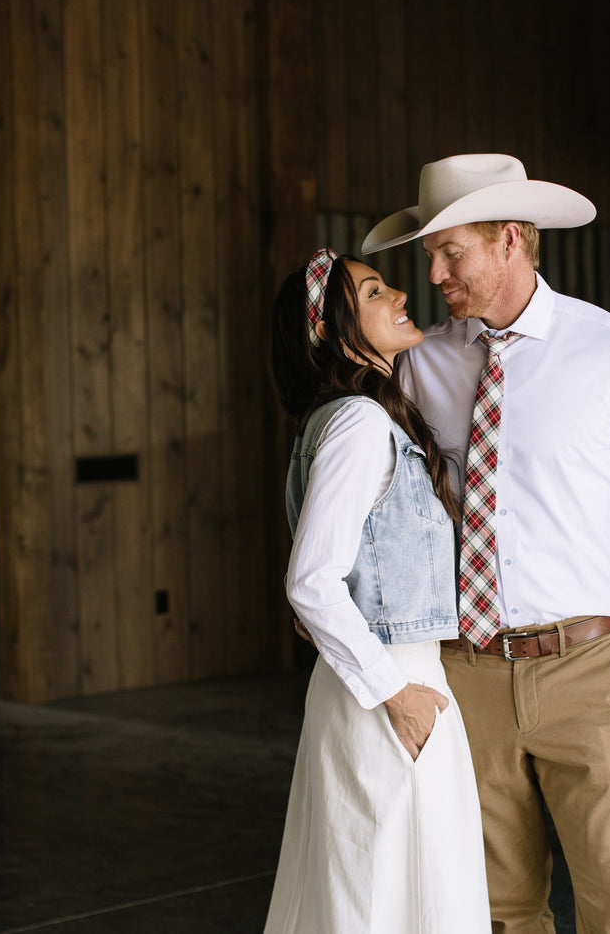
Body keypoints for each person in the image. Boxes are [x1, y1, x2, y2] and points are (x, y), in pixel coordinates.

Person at [361, 154, 610, 933]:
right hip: (463, 674)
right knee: (496, 910)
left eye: (450, 252)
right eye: (429, 254)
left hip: (586, 673)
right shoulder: (422, 363)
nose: (434, 273)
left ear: (510, 240)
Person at [264, 248, 490, 933]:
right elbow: (311, 581)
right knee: (384, 901)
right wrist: (397, 694)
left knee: (383, 894)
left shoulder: (343, 419)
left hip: (382, 680)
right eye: (372, 292)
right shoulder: (360, 424)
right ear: (328, 332)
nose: (399, 295)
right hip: (388, 687)